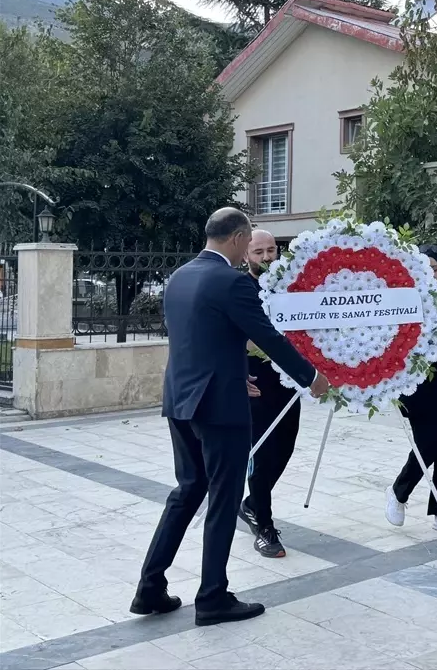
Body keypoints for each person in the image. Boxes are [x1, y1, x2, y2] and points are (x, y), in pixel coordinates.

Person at [131, 209, 330, 627]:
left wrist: (234, 374)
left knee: (187, 491)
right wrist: (310, 376)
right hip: (219, 409)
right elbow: (267, 336)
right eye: (249, 244)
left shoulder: (180, 277)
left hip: (182, 401)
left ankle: (150, 587)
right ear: (239, 238)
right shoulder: (233, 281)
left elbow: (199, 339)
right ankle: (213, 597)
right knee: (223, 499)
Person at [386, 244, 437, 538]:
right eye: (424, 266)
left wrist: (434, 338)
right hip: (417, 385)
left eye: (434, 267)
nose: (429, 273)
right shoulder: (402, 300)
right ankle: (399, 491)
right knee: (428, 443)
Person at [239, 229, 299, 559]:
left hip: (289, 381)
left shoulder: (291, 287)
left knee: (285, 449)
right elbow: (229, 332)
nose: (266, 257)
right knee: (262, 455)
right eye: (258, 251)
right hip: (255, 382)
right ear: (246, 255)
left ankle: (251, 504)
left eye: (271, 250)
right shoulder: (240, 288)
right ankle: (264, 526)